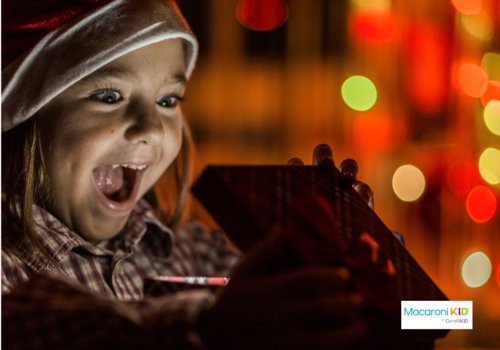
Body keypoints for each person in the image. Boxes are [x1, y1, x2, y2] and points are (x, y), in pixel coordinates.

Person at [1, 0, 388, 349]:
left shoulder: (194, 254)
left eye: (167, 100)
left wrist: (345, 268)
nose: (152, 128)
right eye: (110, 96)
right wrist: (207, 328)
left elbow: (442, 317)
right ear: (21, 111)